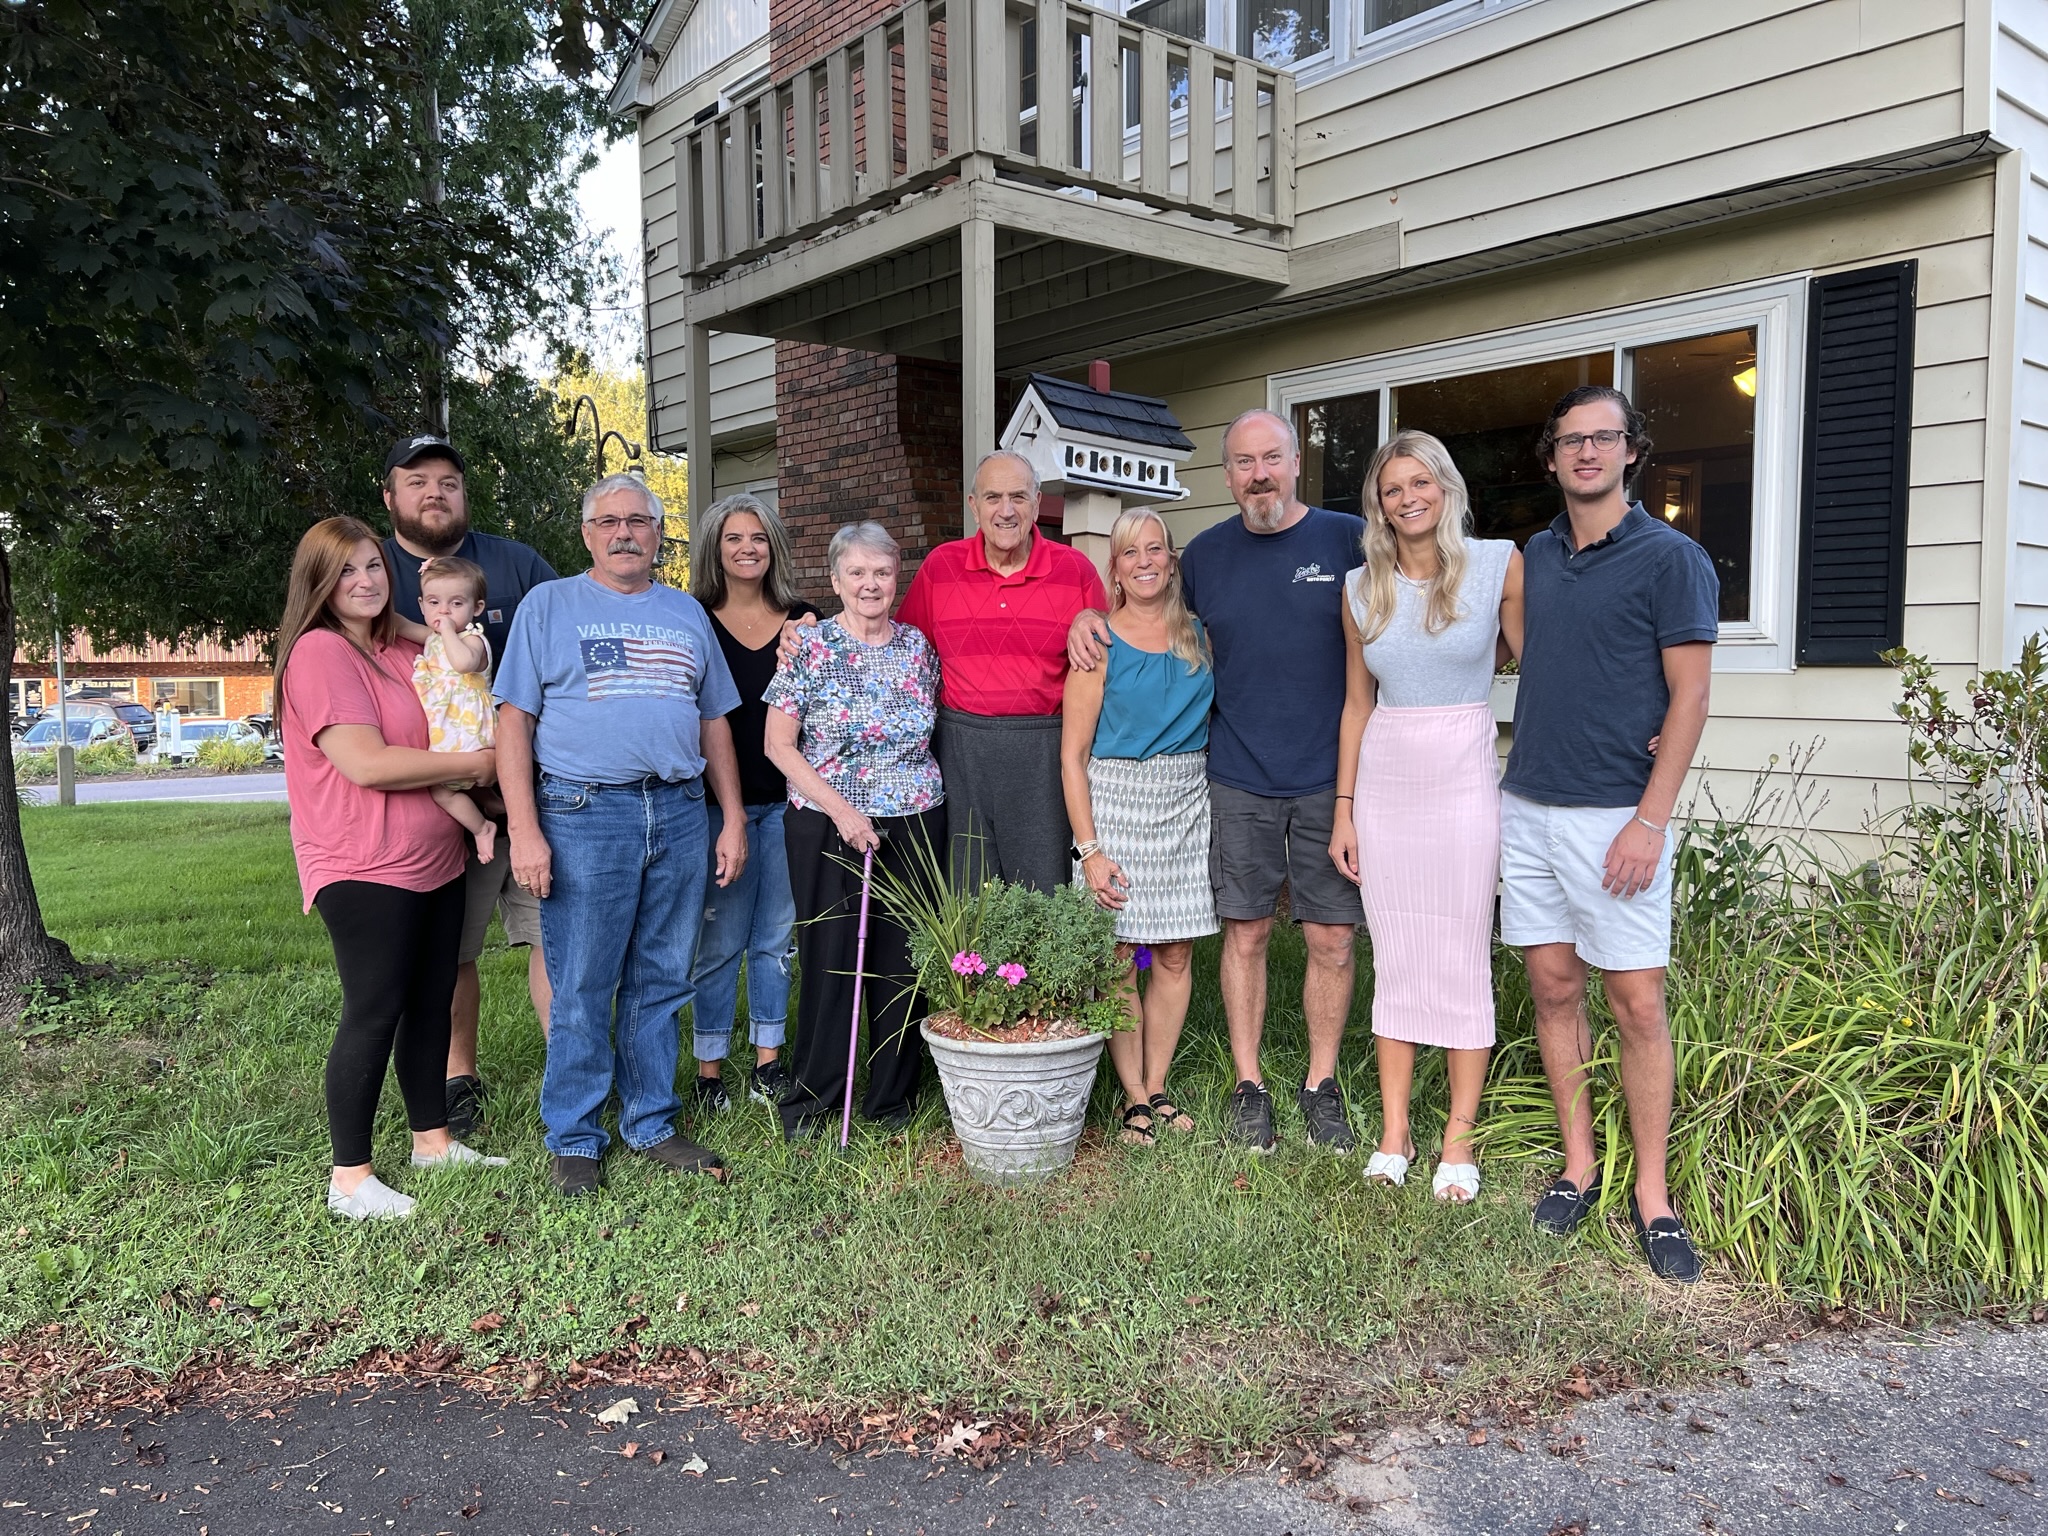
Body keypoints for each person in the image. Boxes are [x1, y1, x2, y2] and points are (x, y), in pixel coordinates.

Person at [1070, 409, 1364, 1154]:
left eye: (1271, 457)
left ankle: (1314, 1086)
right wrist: (1084, 618)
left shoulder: (1347, 539)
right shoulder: (1203, 559)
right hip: (1224, 783)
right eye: (1243, 461)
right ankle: (1241, 1084)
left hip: (1308, 780)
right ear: (1226, 474)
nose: (1258, 472)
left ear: (1296, 461)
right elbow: (1132, 627)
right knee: (1239, 933)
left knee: (1319, 938)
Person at [1504, 385, 1716, 1284]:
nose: (1586, 453)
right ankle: (1580, 1167)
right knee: (1553, 989)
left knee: (1635, 1002)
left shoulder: (1674, 559)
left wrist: (1649, 820)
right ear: (1551, 457)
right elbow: (1518, 647)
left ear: (1632, 451)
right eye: (1570, 441)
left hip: (1616, 816)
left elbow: (1692, 697)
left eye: (1604, 438)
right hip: (1527, 806)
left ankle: (1654, 1199)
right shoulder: (1534, 557)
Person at [495, 473, 748, 1197]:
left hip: (675, 811)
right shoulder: (549, 607)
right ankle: (575, 1136)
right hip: (582, 813)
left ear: (658, 535)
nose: (624, 533)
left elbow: (714, 721)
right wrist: (524, 829)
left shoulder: (686, 615)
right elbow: (514, 723)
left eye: (638, 520)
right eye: (609, 521)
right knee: (581, 982)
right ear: (586, 533)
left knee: (663, 977)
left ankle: (651, 1122)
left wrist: (730, 816)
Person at [275, 516, 507, 1221]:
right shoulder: (320, 654)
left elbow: (432, 635)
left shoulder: (385, 645)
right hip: (362, 862)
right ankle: (350, 1178)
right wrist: (477, 766)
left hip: (435, 855)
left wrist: (423, 627)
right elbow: (368, 764)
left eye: (374, 566)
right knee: (375, 1010)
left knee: (431, 998)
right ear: (319, 582)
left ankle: (432, 1141)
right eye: (347, 571)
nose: (366, 581)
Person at [1328, 432, 1523, 1202]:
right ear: (1378, 505)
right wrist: (1343, 810)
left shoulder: (1500, 564)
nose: (1407, 498)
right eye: (1391, 488)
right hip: (1386, 779)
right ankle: (1394, 1133)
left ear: (1445, 487)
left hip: (1463, 771)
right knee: (1399, 954)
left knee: (1463, 952)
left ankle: (1459, 1140)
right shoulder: (1357, 588)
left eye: (1421, 482)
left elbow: (1540, 663)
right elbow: (1355, 704)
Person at [380, 433, 560, 1137]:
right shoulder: (372, 570)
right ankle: (459, 1078)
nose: (435, 492)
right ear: (390, 493)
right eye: (417, 480)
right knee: (451, 949)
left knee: (551, 933)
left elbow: (567, 644)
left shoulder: (518, 564)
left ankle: (568, 1069)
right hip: (434, 795)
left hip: (537, 788)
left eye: (448, 481)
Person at [763, 521, 946, 1141]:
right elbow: (779, 746)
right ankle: (815, 1101)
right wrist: (843, 810)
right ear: (836, 580)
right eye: (858, 573)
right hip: (826, 824)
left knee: (900, 965)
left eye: (883, 572)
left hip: (916, 818)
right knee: (832, 959)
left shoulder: (918, 648)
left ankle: (891, 1098)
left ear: (898, 577)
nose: (871, 584)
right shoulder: (808, 647)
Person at [1059, 508, 1218, 1145]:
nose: (1145, 561)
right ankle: (1130, 1098)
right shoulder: (1097, 645)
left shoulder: (1200, 637)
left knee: (1175, 953)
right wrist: (1090, 850)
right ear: (1116, 570)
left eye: (1156, 549)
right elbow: (1072, 756)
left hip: (1184, 801)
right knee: (1121, 955)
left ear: (1171, 560)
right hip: (1117, 801)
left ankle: (1158, 1084)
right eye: (1130, 553)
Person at [895, 451, 1108, 893]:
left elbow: (1115, 645)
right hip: (961, 750)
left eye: (1017, 497)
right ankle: (974, 967)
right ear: (973, 505)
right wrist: (814, 628)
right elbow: (896, 645)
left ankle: (1041, 966)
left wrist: (1093, 617)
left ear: (1036, 502)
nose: (1005, 510)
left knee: (1044, 890)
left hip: (1044, 750)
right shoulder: (940, 567)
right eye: (993, 497)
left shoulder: (1076, 571)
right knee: (967, 889)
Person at [686, 493, 819, 1115]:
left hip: (790, 803)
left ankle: (769, 1059)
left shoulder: (805, 620)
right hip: (718, 809)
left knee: (774, 937)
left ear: (775, 547)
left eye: (759, 538)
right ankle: (710, 1067)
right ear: (716, 546)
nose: (747, 549)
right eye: (734, 538)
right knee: (719, 939)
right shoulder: (691, 618)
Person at [408, 555, 499, 864]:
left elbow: (462, 663)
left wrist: (446, 630)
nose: (443, 611)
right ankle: (492, 805)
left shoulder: (473, 640)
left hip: (469, 729)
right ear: (421, 605)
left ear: (477, 608)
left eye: (456, 604)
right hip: (448, 727)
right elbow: (403, 626)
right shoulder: (434, 639)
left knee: (440, 790)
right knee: (465, 784)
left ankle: (482, 827)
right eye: (434, 603)